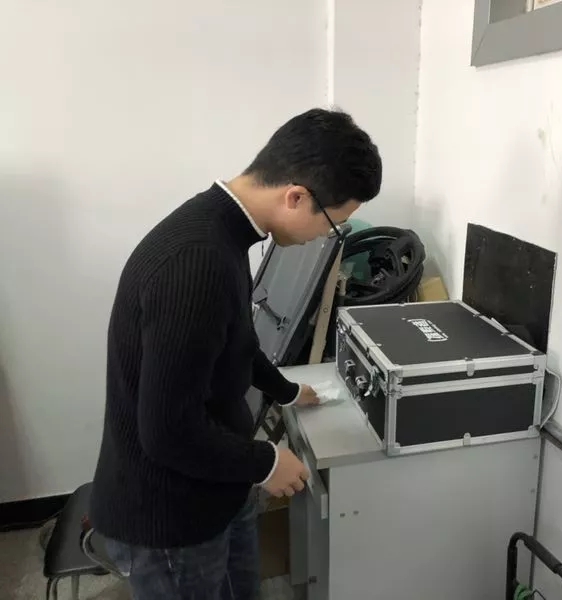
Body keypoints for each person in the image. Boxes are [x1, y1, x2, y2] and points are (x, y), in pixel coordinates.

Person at [89, 108, 382, 599]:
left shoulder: (222, 232)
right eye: (334, 224)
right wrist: (265, 462)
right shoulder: (196, 260)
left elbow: (237, 341)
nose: (325, 238)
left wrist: (287, 391)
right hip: (170, 519)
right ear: (296, 197)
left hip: (216, 488)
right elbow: (167, 431)